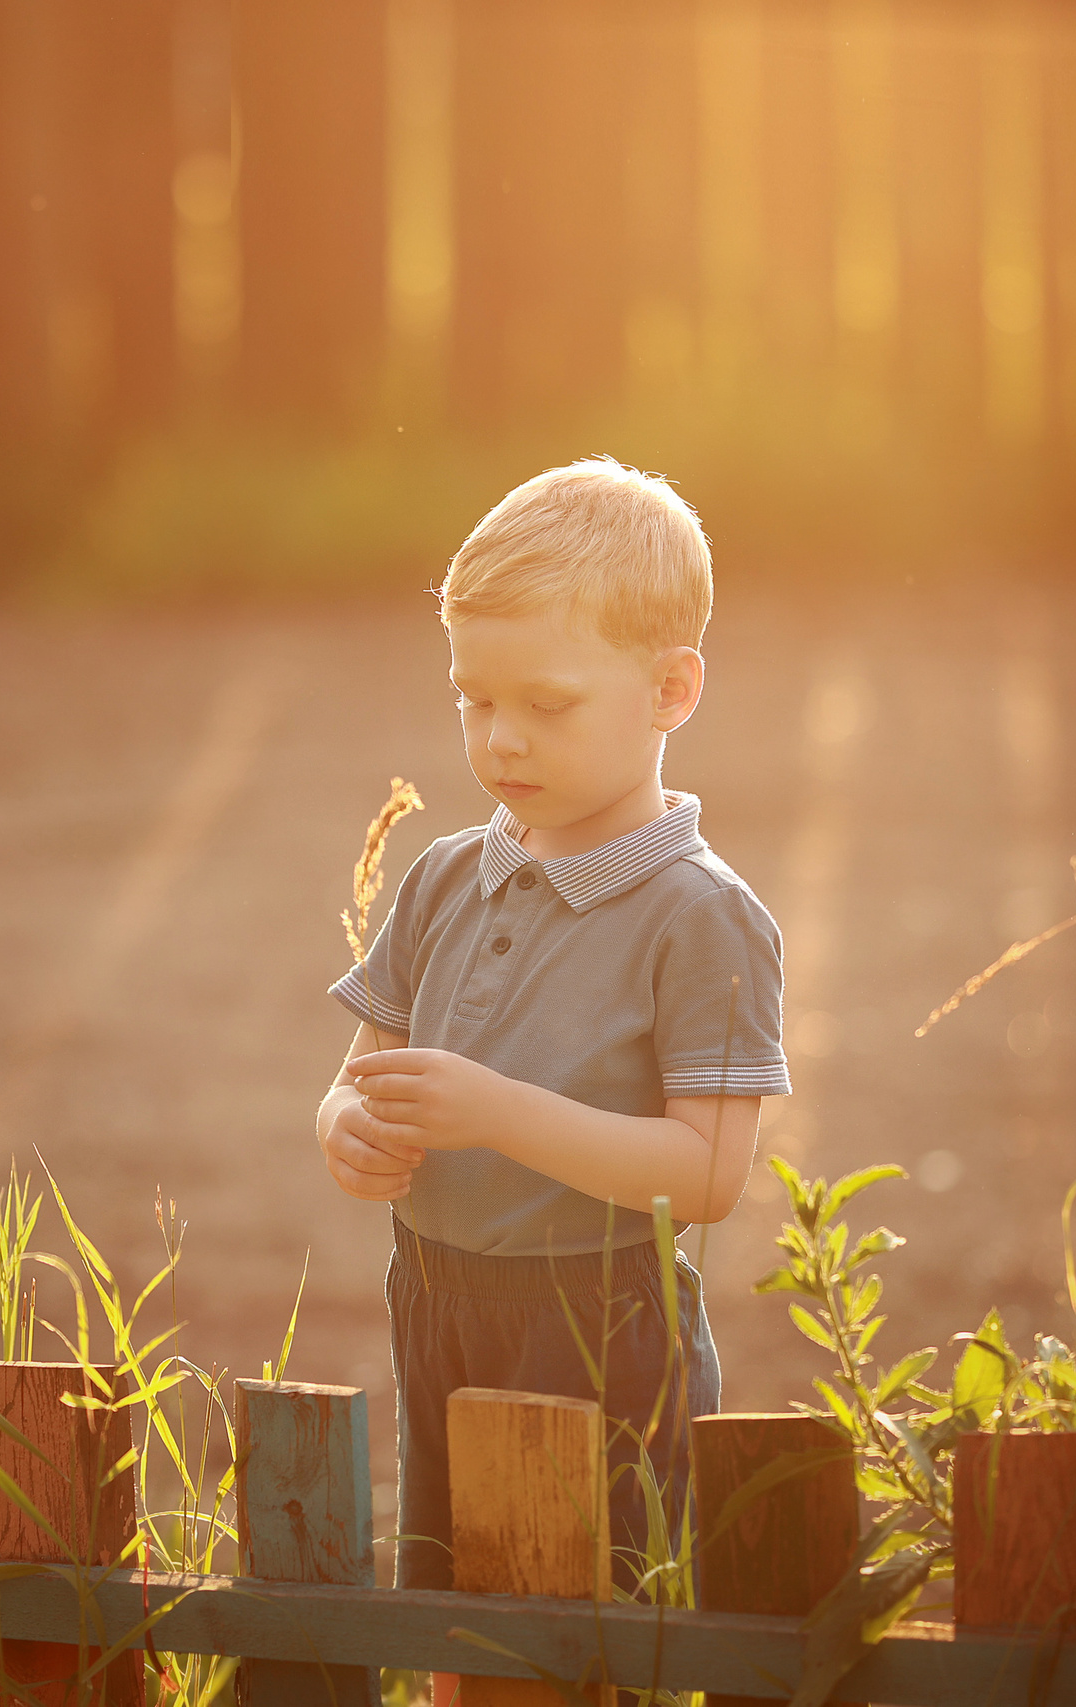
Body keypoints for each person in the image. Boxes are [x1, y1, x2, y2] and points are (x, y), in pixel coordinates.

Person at [315, 456, 789, 1628]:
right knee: (453, 1616)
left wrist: (497, 1115)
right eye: (474, 700)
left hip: (601, 1323)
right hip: (435, 1298)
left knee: (594, 1633)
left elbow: (711, 1177)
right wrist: (346, 1133)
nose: (501, 739)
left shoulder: (700, 915)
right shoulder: (440, 880)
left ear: (672, 690)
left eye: (547, 703)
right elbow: (347, 1088)